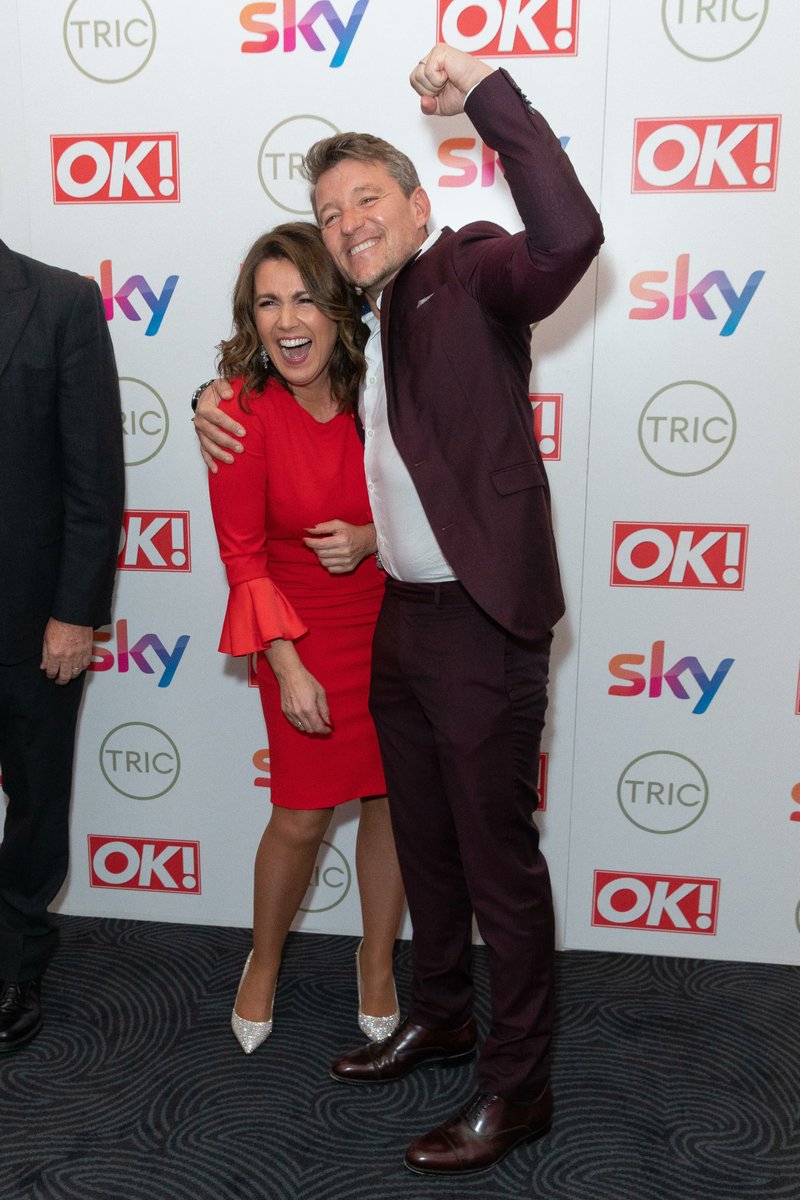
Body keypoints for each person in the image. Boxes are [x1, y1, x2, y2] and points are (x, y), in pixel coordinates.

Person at [193, 44, 603, 1173]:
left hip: (479, 622)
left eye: (366, 199)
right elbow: (308, 401)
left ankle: (517, 1089)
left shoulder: (464, 270)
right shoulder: (372, 326)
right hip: (402, 621)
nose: (347, 222)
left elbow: (569, 237)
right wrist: (207, 397)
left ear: (419, 206)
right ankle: (441, 1017)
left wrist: (486, 98)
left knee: (496, 869)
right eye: (330, 213)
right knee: (423, 848)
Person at [205, 222, 404, 1055]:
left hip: (395, 625)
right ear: (251, 319)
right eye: (267, 303)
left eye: (304, 299)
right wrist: (285, 667)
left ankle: (377, 961)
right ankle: (265, 958)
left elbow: (436, 505)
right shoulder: (237, 413)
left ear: (337, 309)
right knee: (298, 815)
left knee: (393, 802)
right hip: (299, 634)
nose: (287, 320)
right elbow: (242, 559)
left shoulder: (382, 392)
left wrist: (370, 539)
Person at [0, 239, 124, 1051]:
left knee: (36, 799)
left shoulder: (61, 302)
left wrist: (75, 614)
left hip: (29, 617)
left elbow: (95, 477)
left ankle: (16, 962)